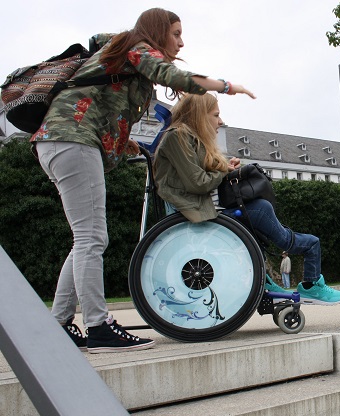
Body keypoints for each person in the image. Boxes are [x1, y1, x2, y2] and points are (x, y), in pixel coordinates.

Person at [31, 8, 255, 353]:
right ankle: (99, 327)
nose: (181, 42)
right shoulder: (138, 48)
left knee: (84, 241)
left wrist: (124, 141)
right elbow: (174, 77)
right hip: (72, 140)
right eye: (176, 34)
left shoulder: (120, 52)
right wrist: (227, 87)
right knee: (92, 239)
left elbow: (105, 103)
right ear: (158, 32)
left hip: (59, 141)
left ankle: (59, 323)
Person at [153, 93, 340, 306]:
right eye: (216, 115)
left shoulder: (187, 139)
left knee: (257, 211)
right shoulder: (178, 137)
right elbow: (198, 182)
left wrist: (224, 168)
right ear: (200, 115)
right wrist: (223, 171)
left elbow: (198, 178)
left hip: (199, 213)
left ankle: (266, 279)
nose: (220, 121)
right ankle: (309, 279)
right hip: (193, 217)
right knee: (264, 211)